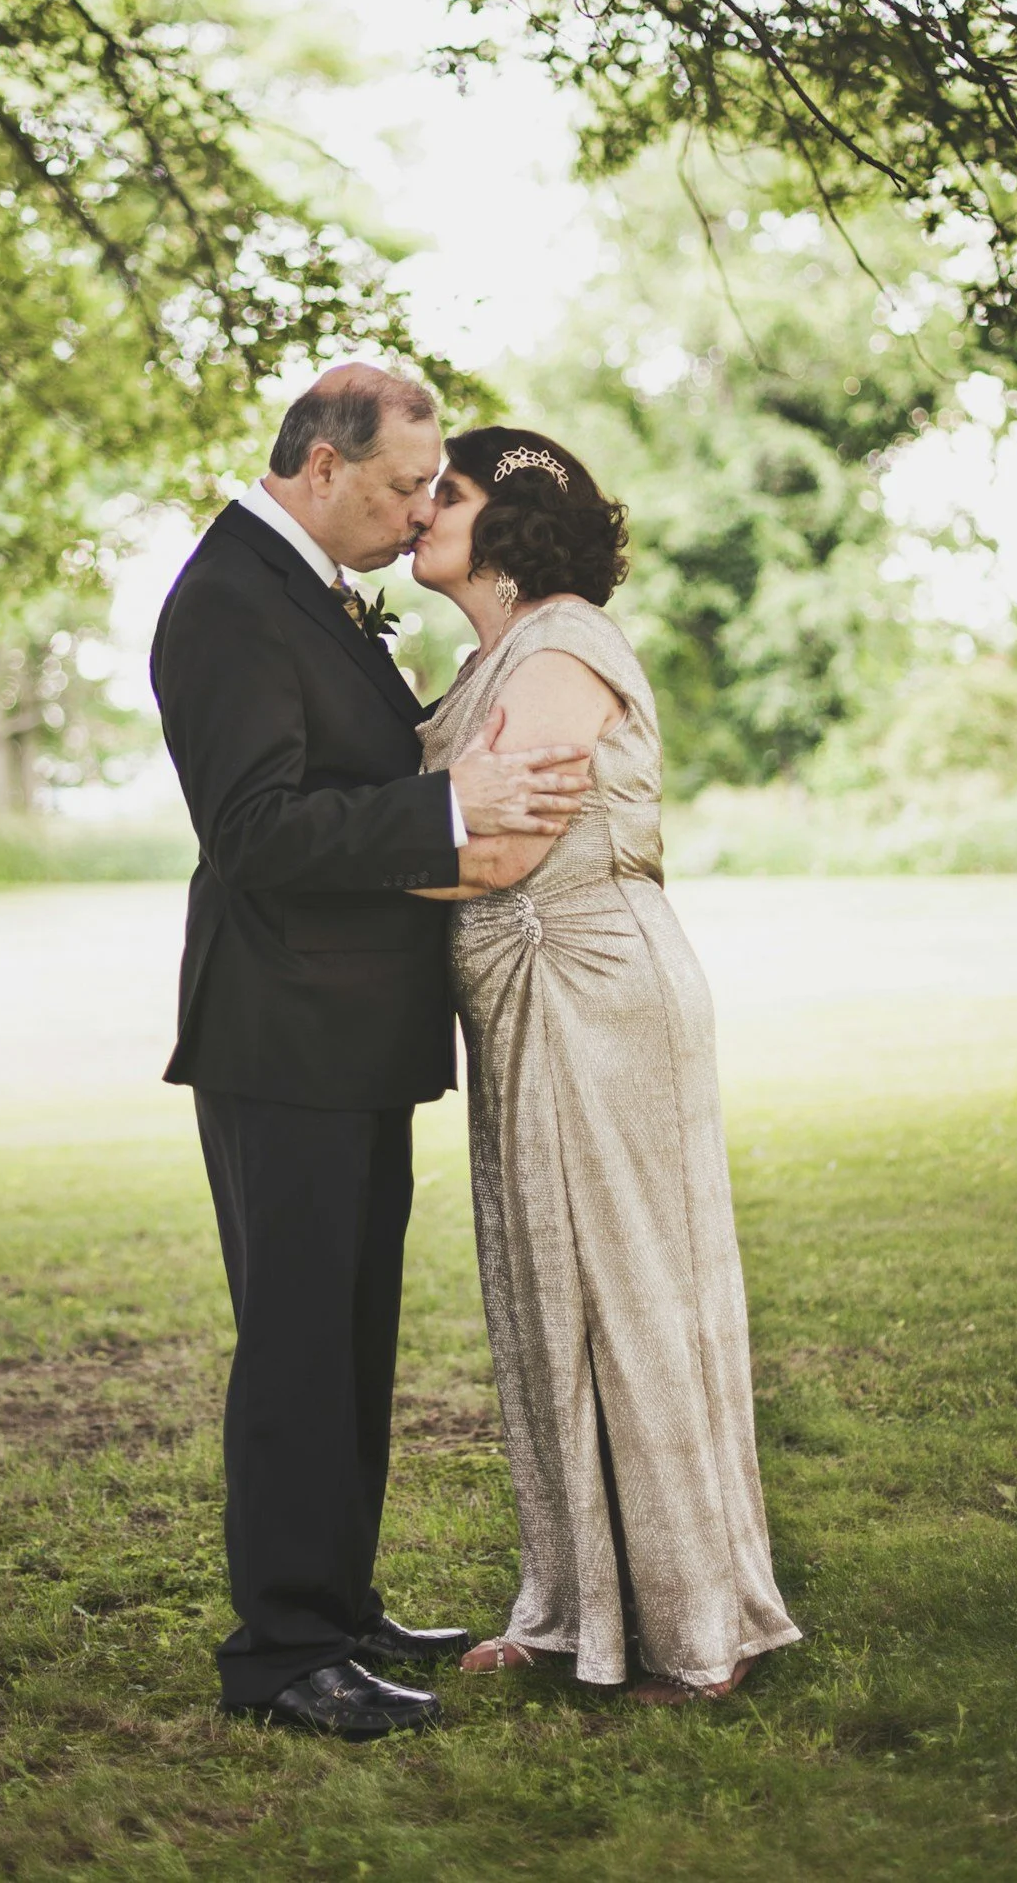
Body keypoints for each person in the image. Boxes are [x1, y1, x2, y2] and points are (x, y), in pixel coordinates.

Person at [150, 367, 593, 1738]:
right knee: (295, 1348)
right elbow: (257, 832)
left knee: (347, 1341)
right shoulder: (228, 601)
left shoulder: (313, 593)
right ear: (322, 466)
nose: (418, 517)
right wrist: (443, 809)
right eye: (407, 487)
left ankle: (336, 1606)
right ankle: (281, 1655)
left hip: (344, 1034)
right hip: (280, 1034)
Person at [409, 426, 802, 1701]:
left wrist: (303, 866)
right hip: (523, 1007)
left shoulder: (564, 638)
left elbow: (505, 849)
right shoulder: (493, 656)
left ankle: (694, 1629)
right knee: (548, 1303)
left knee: (629, 1297)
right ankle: (579, 1604)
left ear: (509, 526)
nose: (420, 507)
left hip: (589, 989)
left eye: (445, 492)